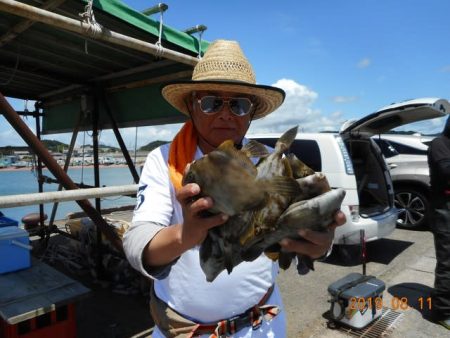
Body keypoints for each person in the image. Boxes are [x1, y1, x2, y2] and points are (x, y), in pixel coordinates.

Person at [123, 39, 346, 337]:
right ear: (192, 105)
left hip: (262, 326)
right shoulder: (164, 160)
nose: (226, 114)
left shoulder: (273, 158)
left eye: (239, 104)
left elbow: (305, 225)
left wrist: (320, 244)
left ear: (251, 112)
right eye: (211, 102)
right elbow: (138, 244)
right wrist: (187, 234)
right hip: (185, 331)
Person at [427, 115, 450, 330]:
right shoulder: (440, 144)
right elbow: (446, 171)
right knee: (447, 261)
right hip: (444, 207)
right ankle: (443, 311)